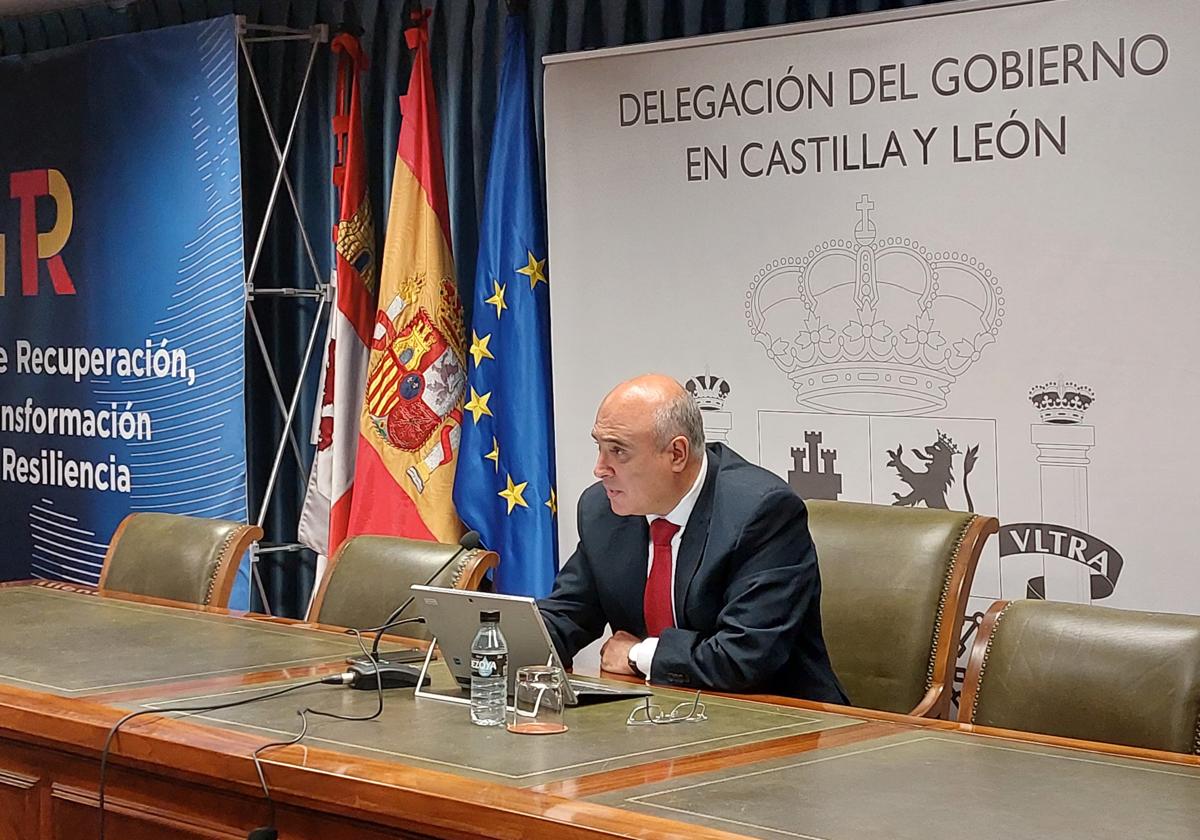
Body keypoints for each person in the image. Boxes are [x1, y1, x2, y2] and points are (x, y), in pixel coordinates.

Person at [538, 374, 847, 703]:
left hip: (783, 722)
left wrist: (638, 655)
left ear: (676, 454)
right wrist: (493, 642)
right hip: (659, 717)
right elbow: (567, 614)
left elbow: (742, 658)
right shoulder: (603, 510)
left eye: (618, 451)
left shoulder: (760, 512)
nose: (600, 469)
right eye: (599, 447)